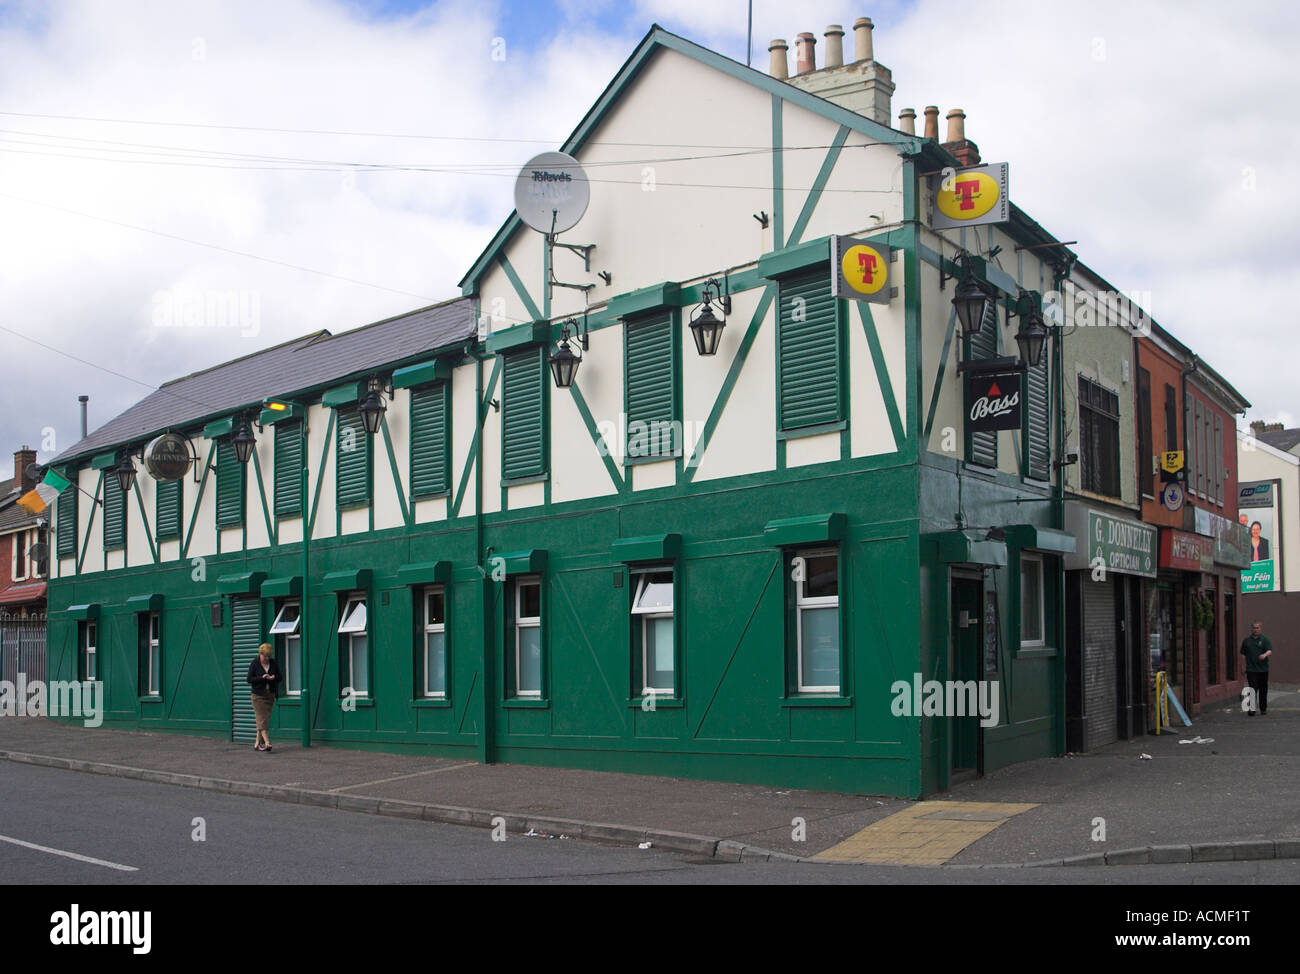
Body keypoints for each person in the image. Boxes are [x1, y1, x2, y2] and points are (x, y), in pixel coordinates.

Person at [247, 643, 282, 750]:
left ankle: (257, 743)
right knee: (261, 718)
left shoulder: (273, 663)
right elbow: (249, 679)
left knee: (264, 719)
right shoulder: (255, 663)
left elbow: (280, 677)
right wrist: (262, 677)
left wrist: (273, 677)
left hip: (269, 695)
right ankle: (267, 742)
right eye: (264, 656)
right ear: (260, 654)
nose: (266, 658)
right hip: (258, 695)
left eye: (268, 656)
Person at [1239, 621, 1273, 716]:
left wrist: (1264, 655)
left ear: (1260, 629)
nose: (1255, 629)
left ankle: (1263, 708)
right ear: (1252, 629)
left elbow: (1269, 650)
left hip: (1263, 669)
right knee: (1252, 689)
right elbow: (1243, 654)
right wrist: (1242, 666)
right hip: (1251, 669)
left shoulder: (1264, 640)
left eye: (1257, 628)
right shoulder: (1247, 641)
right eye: (1254, 628)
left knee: (1263, 689)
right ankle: (1252, 709)